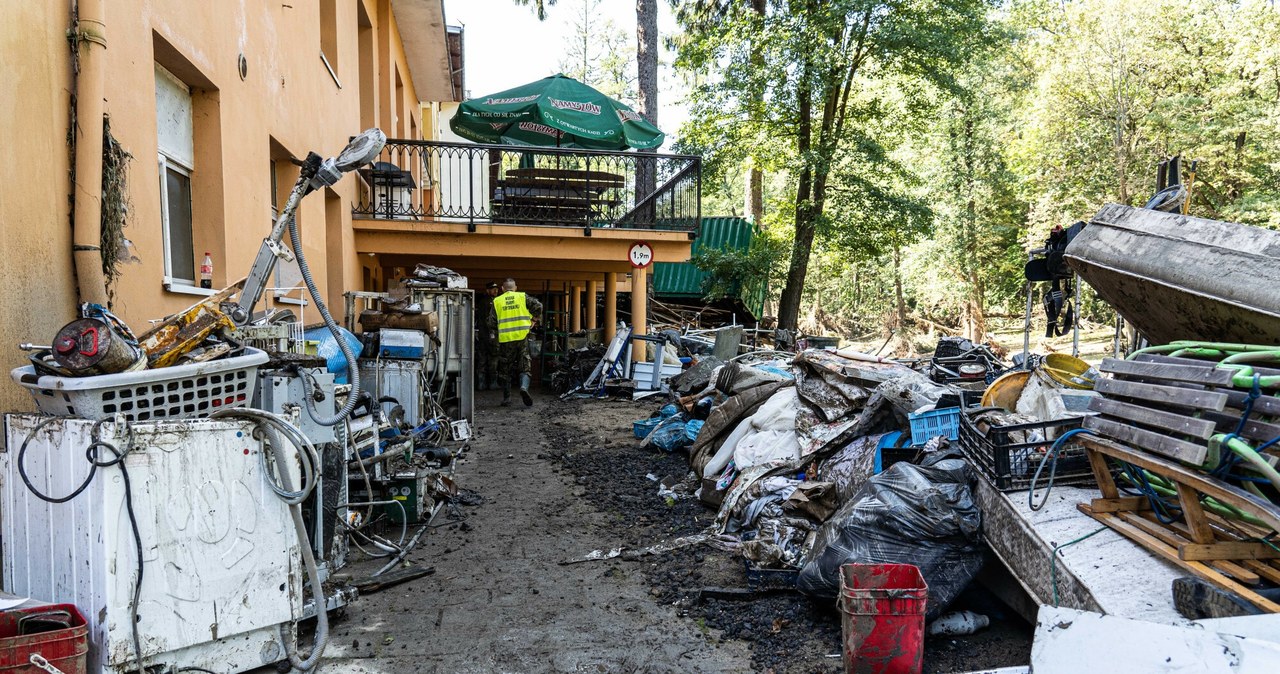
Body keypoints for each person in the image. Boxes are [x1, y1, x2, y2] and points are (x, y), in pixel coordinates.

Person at [488, 278, 543, 406]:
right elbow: (539, 306)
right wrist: (534, 320)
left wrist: (500, 329)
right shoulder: (522, 297)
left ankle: (507, 399)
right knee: (525, 365)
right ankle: (523, 388)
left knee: (505, 369)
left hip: (506, 340)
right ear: (515, 288)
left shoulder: (497, 301)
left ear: (502, 289)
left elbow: (491, 323)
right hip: (522, 337)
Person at [474, 282, 501, 390]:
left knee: (482, 360)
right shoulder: (491, 303)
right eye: (493, 289)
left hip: (482, 336)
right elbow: (489, 321)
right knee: (493, 360)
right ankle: (492, 383)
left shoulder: (482, 302)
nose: (495, 291)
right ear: (487, 290)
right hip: (490, 336)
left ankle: (482, 384)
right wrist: (492, 334)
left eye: (496, 289)